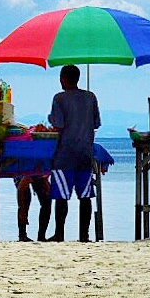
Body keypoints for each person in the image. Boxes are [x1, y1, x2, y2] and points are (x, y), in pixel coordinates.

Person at [48, 64, 100, 242]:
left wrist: (50, 118)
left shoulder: (59, 98)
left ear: (63, 79)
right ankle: (84, 235)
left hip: (64, 155)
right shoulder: (90, 97)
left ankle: (59, 233)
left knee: (61, 197)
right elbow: (95, 123)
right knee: (85, 196)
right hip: (85, 153)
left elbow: (58, 124)